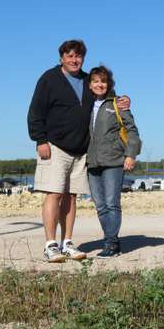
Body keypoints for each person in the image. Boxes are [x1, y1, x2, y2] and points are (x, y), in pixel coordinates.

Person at [27, 40, 130, 263]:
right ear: (61, 58)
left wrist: (123, 100)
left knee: (71, 197)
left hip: (81, 151)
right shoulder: (49, 79)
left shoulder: (86, 80)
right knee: (54, 194)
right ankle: (50, 245)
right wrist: (40, 140)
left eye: (78, 56)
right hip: (54, 147)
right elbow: (35, 111)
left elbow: (105, 95)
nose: (74, 60)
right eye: (69, 56)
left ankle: (67, 243)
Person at [86, 65, 141, 257]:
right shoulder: (86, 105)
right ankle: (110, 241)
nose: (99, 85)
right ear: (90, 84)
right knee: (100, 205)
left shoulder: (117, 104)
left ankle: (111, 244)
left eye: (103, 81)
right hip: (92, 162)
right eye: (95, 81)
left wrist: (131, 154)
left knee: (112, 203)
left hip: (114, 161)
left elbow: (132, 130)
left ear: (108, 84)